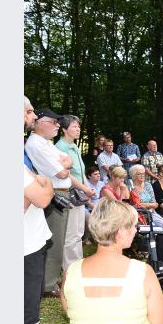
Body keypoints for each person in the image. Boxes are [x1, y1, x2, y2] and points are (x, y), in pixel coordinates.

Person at [59, 198, 163, 324]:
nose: (136, 230)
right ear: (120, 232)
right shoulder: (142, 272)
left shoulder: (72, 271)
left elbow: (69, 309)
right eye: (132, 226)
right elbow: (158, 320)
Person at [25, 108, 73, 298]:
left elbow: (68, 161)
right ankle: (48, 283)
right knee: (55, 240)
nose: (57, 125)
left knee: (59, 239)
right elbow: (61, 172)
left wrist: (65, 164)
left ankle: (51, 278)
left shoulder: (46, 143)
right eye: (53, 122)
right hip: (53, 194)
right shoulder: (35, 144)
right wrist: (65, 165)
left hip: (60, 193)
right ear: (39, 123)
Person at [24, 96, 54, 324]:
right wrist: (44, 183)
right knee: (26, 306)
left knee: (29, 303)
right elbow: (43, 196)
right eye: (29, 112)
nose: (33, 116)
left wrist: (38, 184)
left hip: (32, 239)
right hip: (26, 244)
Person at [55, 115, 96, 272]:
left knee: (78, 231)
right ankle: (70, 269)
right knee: (71, 233)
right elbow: (67, 175)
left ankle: (77, 264)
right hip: (69, 194)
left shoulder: (74, 146)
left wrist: (87, 189)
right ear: (64, 129)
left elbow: (80, 172)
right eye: (74, 126)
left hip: (79, 195)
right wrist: (85, 189)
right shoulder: (60, 148)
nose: (78, 129)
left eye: (79, 126)